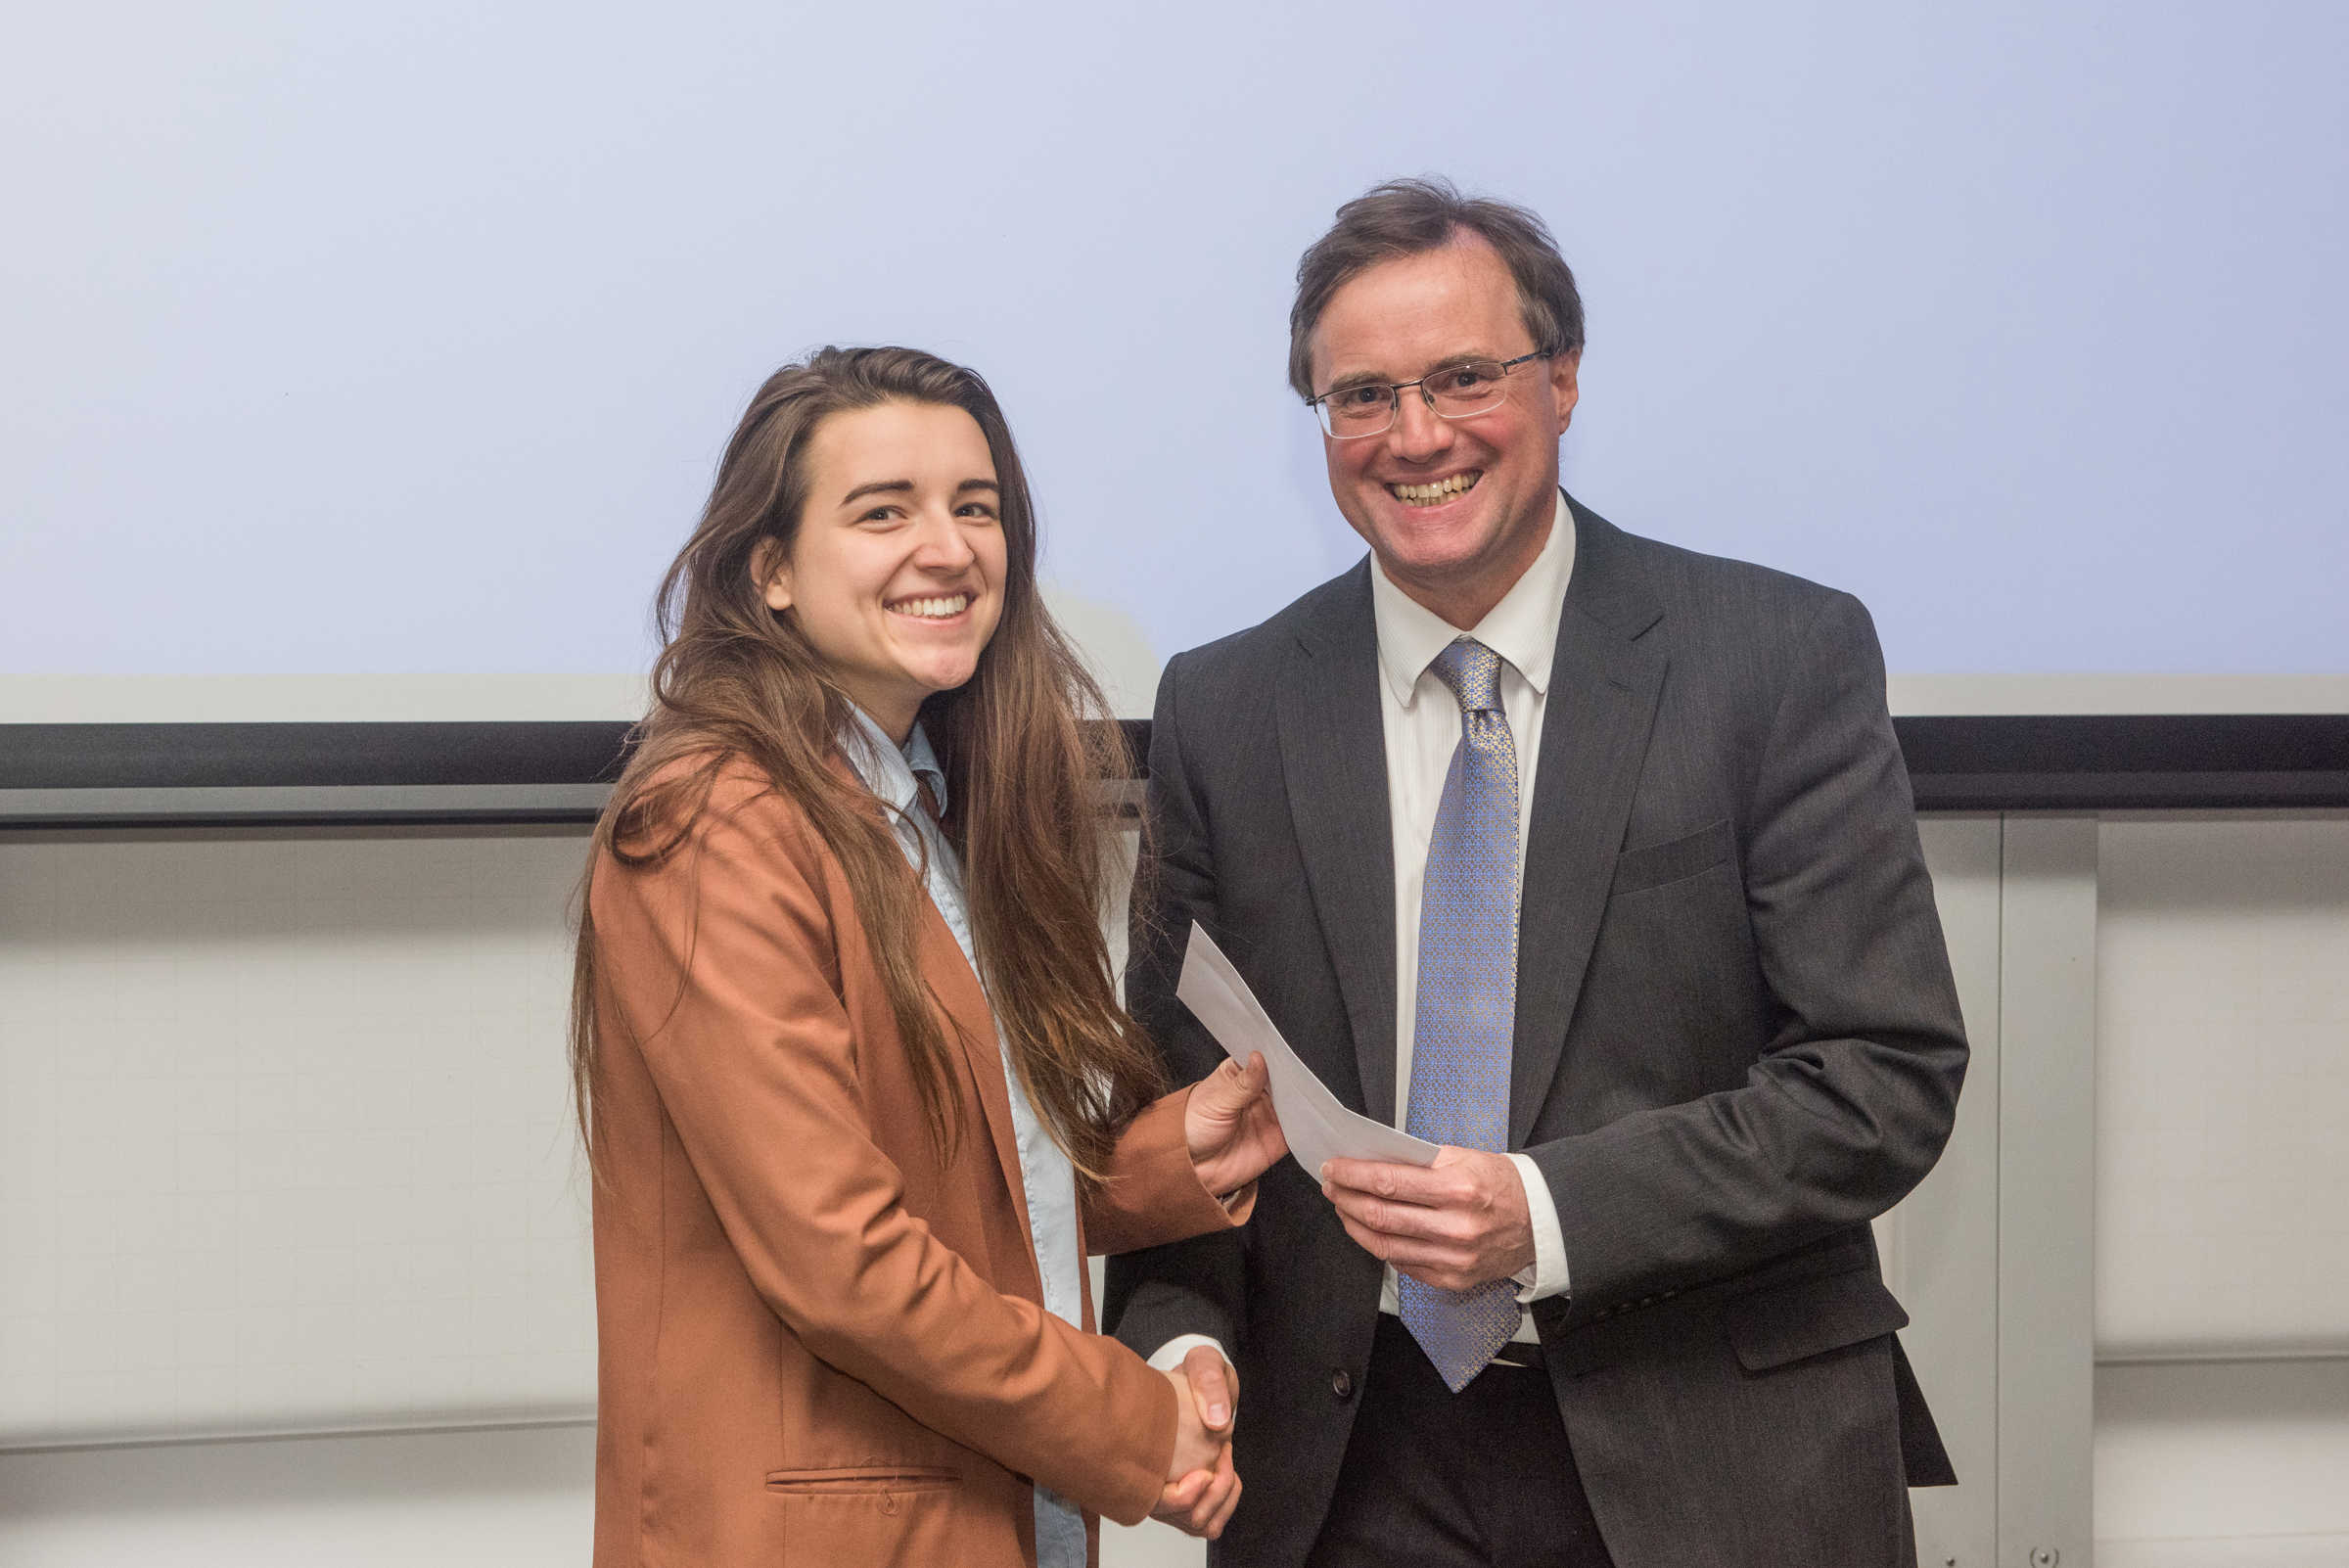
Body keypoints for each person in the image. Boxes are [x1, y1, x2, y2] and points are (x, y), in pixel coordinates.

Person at [1105, 179, 1969, 1567]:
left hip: (1712, 1450)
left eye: (1463, 377)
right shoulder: (1230, 704)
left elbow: (1883, 1071)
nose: (1417, 434)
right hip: (1344, 1471)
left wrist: (1545, 1215)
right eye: (1363, 395)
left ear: (1563, 379)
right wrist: (1180, 1338)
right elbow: (1172, 1100)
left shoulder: (1773, 658)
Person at [572, 345, 1284, 1567]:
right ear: (773, 572)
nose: (948, 548)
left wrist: (1167, 1164)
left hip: (980, 1505)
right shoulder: (715, 821)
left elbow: (944, 1169)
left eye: (977, 507)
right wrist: (1134, 1418)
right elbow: (842, 1256)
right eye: (881, 512)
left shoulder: (920, 806)